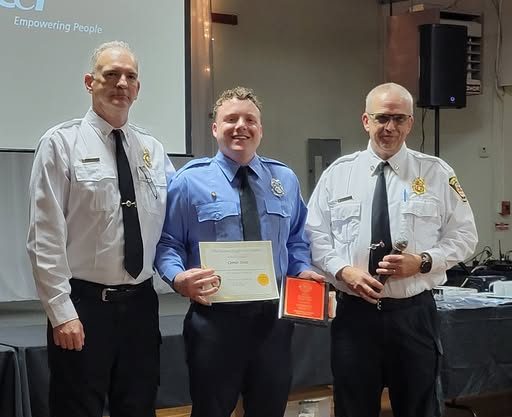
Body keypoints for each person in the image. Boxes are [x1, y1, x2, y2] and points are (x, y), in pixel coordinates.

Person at [305, 82, 478, 417]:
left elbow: (465, 236)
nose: (390, 127)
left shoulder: (436, 174)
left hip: (412, 315)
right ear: (366, 121)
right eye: (382, 118)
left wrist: (424, 261)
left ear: (411, 123)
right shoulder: (338, 175)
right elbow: (314, 236)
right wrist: (344, 271)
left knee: (418, 408)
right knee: (353, 409)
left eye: (399, 119)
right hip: (355, 316)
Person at [27, 41, 174, 417]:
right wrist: (61, 312)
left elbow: (174, 221)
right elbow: (45, 237)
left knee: (139, 406)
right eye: (111, 75)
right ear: (90, 82)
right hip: (85, 305)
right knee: (78, 408)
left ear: (138, 89)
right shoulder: (60, 144)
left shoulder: (153, 151)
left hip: (141, 306)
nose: (121, 83)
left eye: (130, 77)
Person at [155, 86, 322, 417]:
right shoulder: (189, 182)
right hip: (216, 322)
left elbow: (296, 240)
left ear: (261, 130)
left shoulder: (284, 179)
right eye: (230, 119)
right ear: (215, 128)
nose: (240, 126)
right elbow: (167, 243)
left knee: (269, 409)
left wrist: (302, 269)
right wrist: (178, 278)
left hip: (273, 322)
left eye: (250, 120)